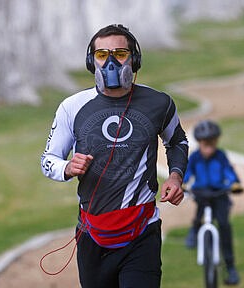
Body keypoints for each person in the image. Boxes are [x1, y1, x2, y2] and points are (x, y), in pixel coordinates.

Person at [40, 24, 188, 288]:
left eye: (120, 54)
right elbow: (48, 160)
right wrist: (67, 167)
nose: (110, 62)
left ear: (134, 59)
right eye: (101, 55)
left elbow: (177, 141)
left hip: (142, 232)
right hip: (92, 235)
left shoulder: (159, 103)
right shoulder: (72, 107)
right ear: (91, 61)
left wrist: (176, 176)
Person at [183, 120, 244, 285]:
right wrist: (183, 183)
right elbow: (187, 173)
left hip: (219, 194)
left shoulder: (221, 156)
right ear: (199, 143)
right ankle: (194, 231)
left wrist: (235, 183)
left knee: (224, 225)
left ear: (217, 141)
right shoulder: (195, 157)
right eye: (205, 144)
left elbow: (229, 171)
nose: (209, 147)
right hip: (201, 193)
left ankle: (230, 267)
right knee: (199, 216)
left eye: (212, 143)